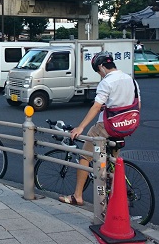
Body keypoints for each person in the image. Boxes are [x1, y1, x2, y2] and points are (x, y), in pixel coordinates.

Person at [58, 52, 140, 206]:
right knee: (112, 162)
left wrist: (80, 127)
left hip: (107, 127)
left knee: (85, 156)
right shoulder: (131, 80)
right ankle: (115, 197)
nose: (99, 74)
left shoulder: (107, 82)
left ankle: (77, 196)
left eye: (98, 71)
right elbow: (137, 105)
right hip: (126, 127)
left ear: (102, 67)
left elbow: (96, 107)